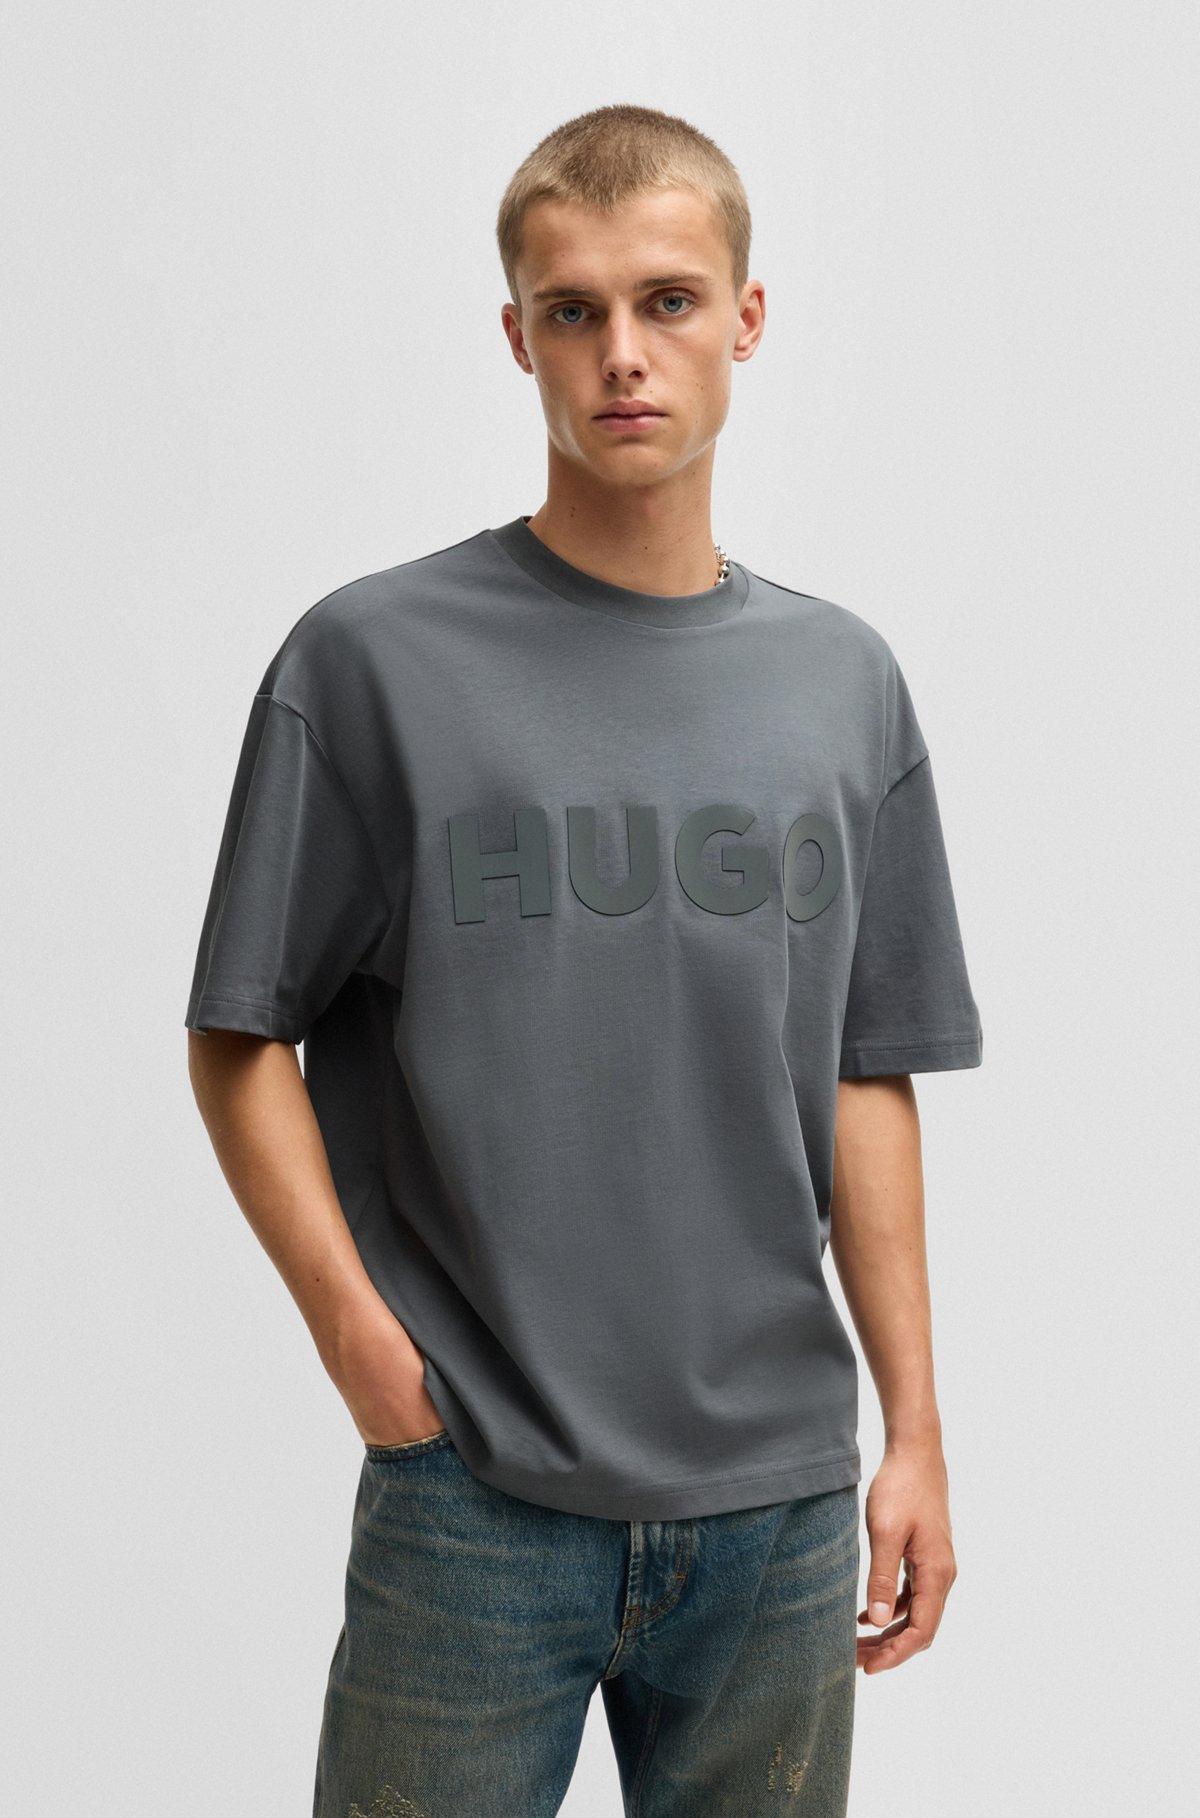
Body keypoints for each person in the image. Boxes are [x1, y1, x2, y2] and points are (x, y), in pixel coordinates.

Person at [185, 102, 983, 1818]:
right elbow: (241, 1030)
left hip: (777, 1506)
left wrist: (913, 1427)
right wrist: (354, 1334)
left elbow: (867, 1069)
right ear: (519, 336)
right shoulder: (371, 663)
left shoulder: (844, 685)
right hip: (475, 1491)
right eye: (576, 310)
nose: (624, 352)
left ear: (745, 318)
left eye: (668, 301)